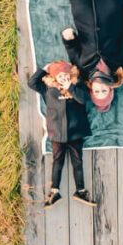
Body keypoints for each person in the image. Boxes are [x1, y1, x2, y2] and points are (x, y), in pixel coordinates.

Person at [26, 59, 95, 208]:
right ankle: (54, 192)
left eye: (65, 74)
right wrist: (44, 69)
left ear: (70, 74)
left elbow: (84, 99)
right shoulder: (47, 89)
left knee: (78, 161)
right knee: (58, 161)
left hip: (76, 131)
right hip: (57, 132)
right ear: (54, 77)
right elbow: (32, 83)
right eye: (60, 75)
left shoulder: (77, 85)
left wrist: (70, 87)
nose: (63, 78)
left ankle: (80, 190)